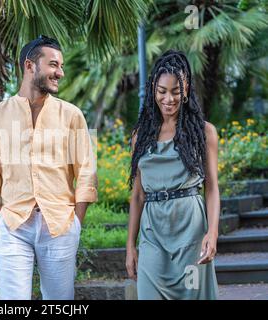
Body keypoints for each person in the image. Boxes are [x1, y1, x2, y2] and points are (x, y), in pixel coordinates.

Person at [0, 35, 97, 300]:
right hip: (12, 225)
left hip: (60, 225)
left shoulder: (72, 115)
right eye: (53, 65)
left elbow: (86, 170)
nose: (60, 73)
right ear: (30, 65)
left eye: (61, 66)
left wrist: (76, 220)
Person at [126, 50, 220, 299]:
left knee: (192, 294)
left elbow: (211, 188)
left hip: (190, 229)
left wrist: (213, 232)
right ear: (153, 90)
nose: (169, 99)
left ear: (186, 89)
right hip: (152, 232)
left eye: (176, 91)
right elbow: (137, 196)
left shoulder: (204, 132)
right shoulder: (140, 136)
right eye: (162, 91)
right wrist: (129, 247)